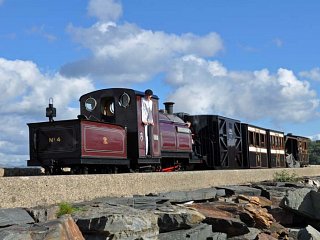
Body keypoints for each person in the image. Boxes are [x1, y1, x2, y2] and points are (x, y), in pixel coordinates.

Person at [141, 89, 154, 156]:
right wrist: (143, 120)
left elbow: (150, 112)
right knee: (144, 136)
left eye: (150, 96)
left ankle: (147, 152)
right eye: (148, 96)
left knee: (147, 136)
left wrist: (151, 121)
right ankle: (144, 153)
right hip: (143, 120)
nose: (149, 97)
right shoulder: (142, 100)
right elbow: (142, 110)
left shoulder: (151, 102)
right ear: (145, 95)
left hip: (147, 120)